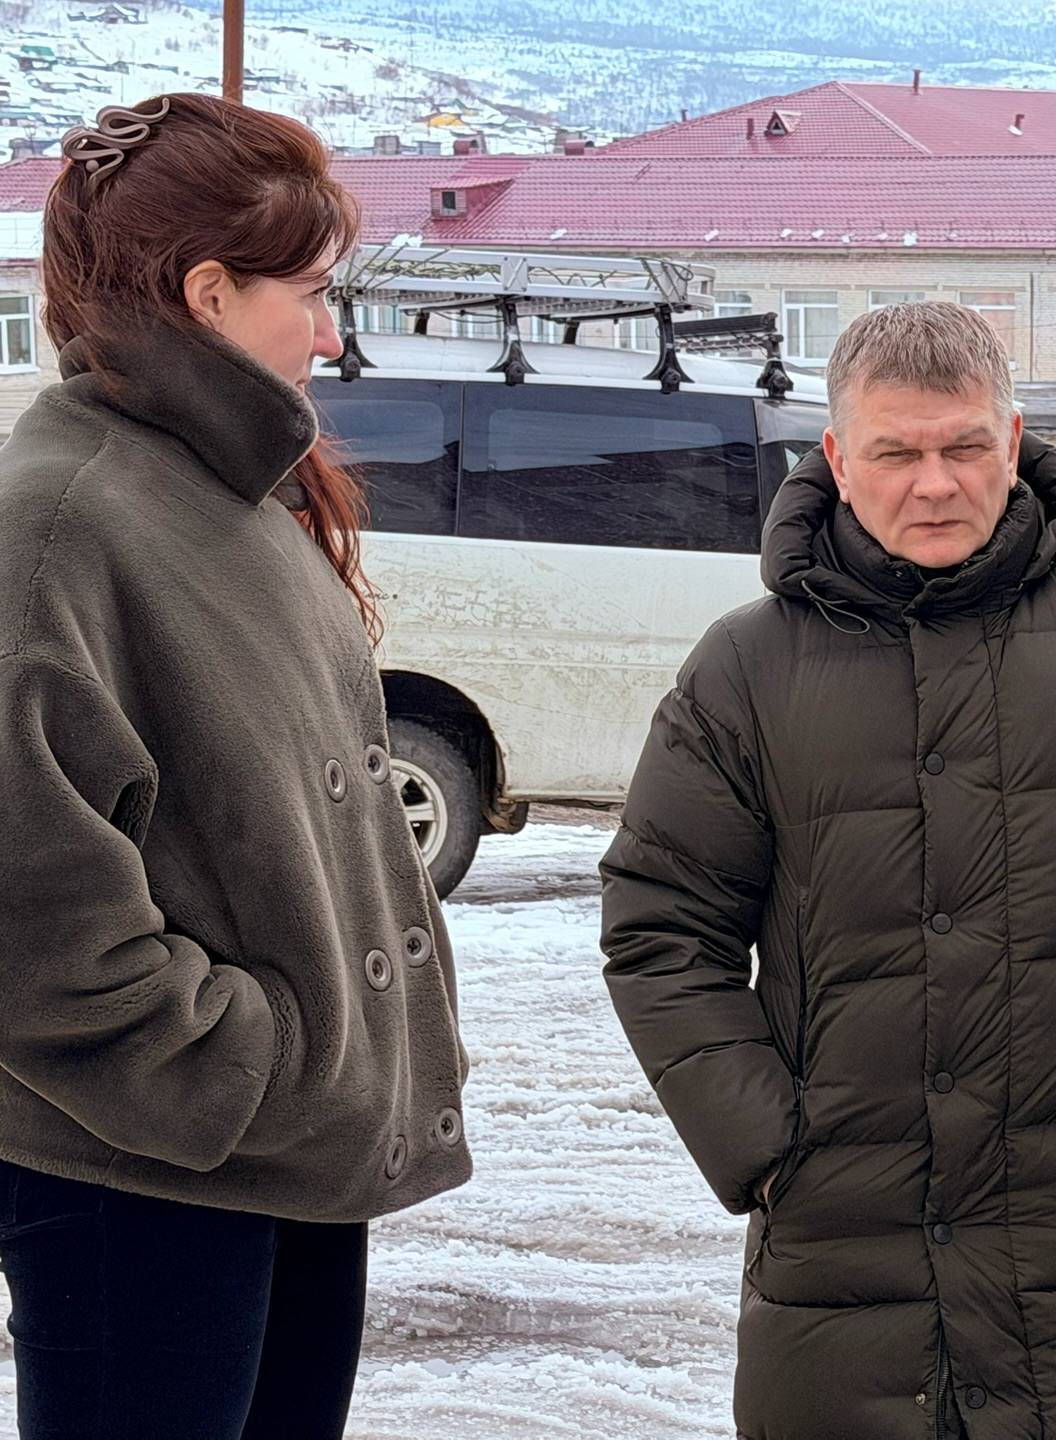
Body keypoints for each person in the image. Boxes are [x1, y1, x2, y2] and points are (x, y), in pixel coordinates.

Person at [600, 300, 1056, 1439]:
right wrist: (767, 1147)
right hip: (842, 1256)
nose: (936, 483)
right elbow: (660, 927)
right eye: (897, 452)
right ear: (837, 458)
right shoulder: (747, 668)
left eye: (965, 447)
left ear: (1012, 438)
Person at [0, 95, 471, 1440]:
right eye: (313, 292)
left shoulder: (220, 489)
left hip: (278, 1161)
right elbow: (31, 918)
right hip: (143, 1180)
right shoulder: (58, 523)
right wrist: (248, 1064)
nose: (332, 332)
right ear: (209, 292)